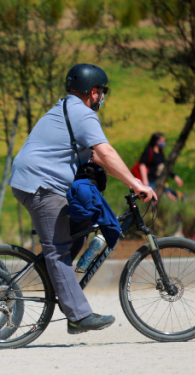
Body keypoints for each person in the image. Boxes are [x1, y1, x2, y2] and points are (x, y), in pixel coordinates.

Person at [9, 63, 158, 335]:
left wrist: (129, 181)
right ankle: (78, 315)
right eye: (101, 91)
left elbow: (99, 158)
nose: (102, 97)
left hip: (37, 180)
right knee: (58, 249)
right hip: (41, 184)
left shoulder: (67, 108)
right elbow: (107, 151)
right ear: (92, 91)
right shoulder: (82, 113)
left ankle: (58, 284)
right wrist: (136, 183)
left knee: (79, 230)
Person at [136, 132, 184, 200]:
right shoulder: (149, 151)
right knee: (161, 197)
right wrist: (145, 181)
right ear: (156, 141)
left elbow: (163, 167)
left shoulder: (160, 153)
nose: (163, 142)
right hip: (150, 181)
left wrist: (175, 176)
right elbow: (142, 165)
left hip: (157, 180)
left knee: (172, 195)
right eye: (161, 141)